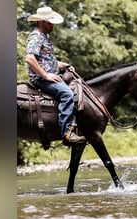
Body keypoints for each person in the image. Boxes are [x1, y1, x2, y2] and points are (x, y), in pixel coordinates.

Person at [25, 6, 86, 145]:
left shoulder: (45, 37)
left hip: (49, 74)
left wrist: (63, 65)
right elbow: (30, 59)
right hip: (40, 79)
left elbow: (46, 60)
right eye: (49, 22)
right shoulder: (36, 37)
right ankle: (66, 134)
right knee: (67, 95)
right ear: (40, 22)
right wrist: (46, 75)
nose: (52, 25)